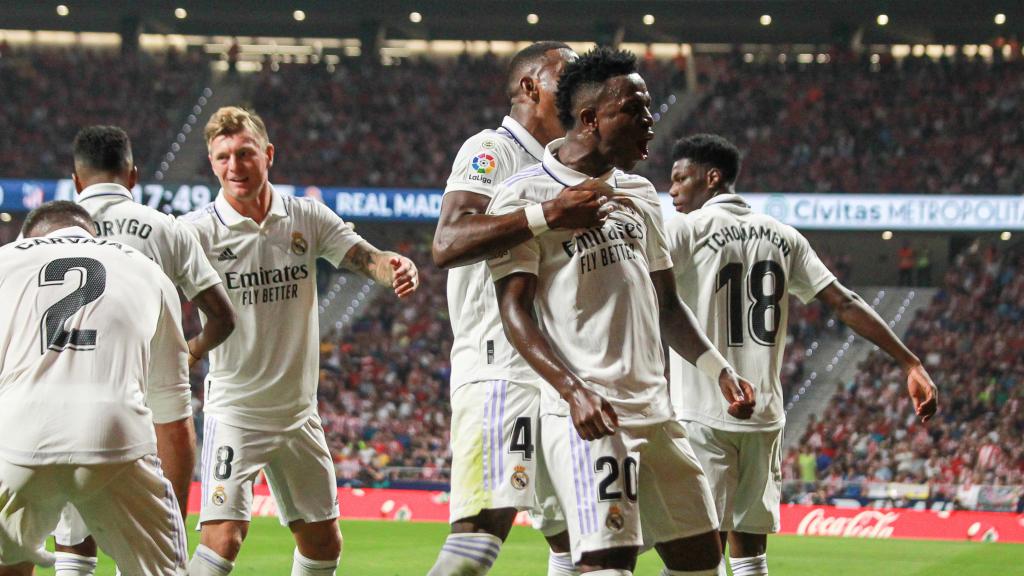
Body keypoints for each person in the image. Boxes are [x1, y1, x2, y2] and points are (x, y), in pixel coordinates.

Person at [488, 48, 755, 576]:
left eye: (650, 107)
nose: (651, 120)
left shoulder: (638, 194)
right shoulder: (525, 196)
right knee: (609, 562)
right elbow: (514, 312)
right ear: (590, 119)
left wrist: (719, 372)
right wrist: (572, 390)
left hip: (656, 412)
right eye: (635, 109)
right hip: (590, 414)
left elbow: (667, 304)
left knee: (701, 560)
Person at [665, 133, 939, 576]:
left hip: (702, 410)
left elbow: (650, 295)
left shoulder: (685, 230)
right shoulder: (784, 236)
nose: (673, 189)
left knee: (700, 552)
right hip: (765, 418)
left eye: (680, 179)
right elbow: (845, 303)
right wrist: (910, 361)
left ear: (711, 178)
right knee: (751, 554)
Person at [181, 106, 419, 576]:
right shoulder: (196, 233)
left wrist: (393, 266)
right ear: (212, 163)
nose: (235, 166)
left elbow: (364, 257)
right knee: (224, 538)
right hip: (236, 413)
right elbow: (155, 295)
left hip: (297, 414)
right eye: (223, 157)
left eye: (245, 153)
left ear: (268, 154)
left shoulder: (305, 217)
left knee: (323, 541)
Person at [430, 41, 618, 576]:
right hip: (501, 370)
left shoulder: (563, 164)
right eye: (567, 76)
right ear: (530, 87)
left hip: (555, 374)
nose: (582, 85)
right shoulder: (491, 149)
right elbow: (447, 240)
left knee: (575, 539)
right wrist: (545, 213)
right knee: (481, 534)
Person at [48, 125, 237, 576]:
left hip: (62, 399)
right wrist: (187, 352)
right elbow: (222, 316)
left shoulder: (46, 232)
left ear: (77, 181)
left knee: (73, 551)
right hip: (146, 409)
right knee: (150, 550)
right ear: (133, 176)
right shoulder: (166, 229)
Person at [0, 201, 193, 575]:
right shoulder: (146, 270)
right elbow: (174, 418)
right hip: (117, 438)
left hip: (19, 437)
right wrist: (168, 518)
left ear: (30, 237)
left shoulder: (6, 259)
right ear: (91, 233)